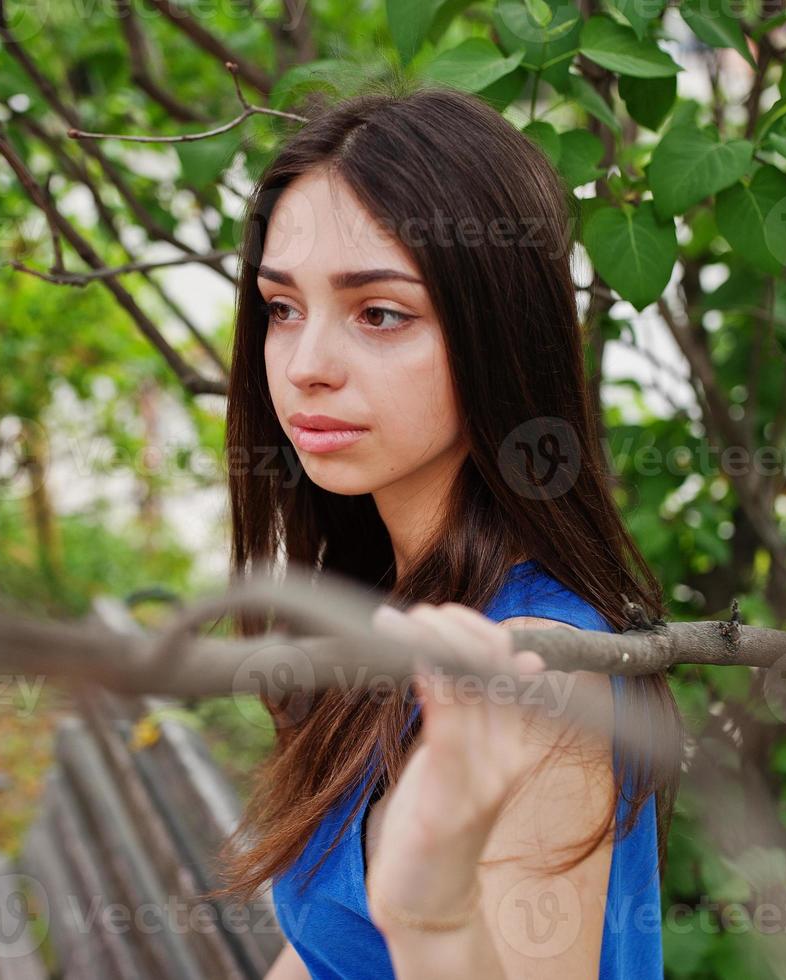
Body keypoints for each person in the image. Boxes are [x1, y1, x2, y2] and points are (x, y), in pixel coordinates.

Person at [207, 77, 684, 979]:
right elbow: (323, 955)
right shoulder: (382, 597)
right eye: (281, 308)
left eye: (378, 313)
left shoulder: (533, 674)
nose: (305, 366)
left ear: (496, 331)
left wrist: (431, 922)